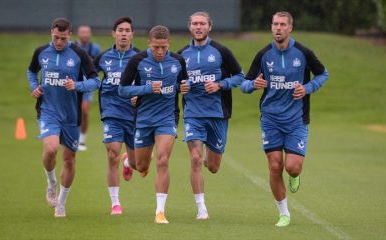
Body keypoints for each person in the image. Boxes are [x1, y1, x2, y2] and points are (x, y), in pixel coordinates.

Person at [241, 11, 329, 227]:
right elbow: (244, 84)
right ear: (271, 28)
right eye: (275, 24)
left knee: (292, 167)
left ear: (290, 28)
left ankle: (295, 174)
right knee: (274, 165)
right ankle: (284, 213)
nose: (278, 28)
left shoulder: (303, 52)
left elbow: (323, 74)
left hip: (296, 119)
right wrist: (253, 85)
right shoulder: (263, 55)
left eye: (282, 24)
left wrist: (307, 88)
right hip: (270, 119)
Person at [26, 18, 100, 217]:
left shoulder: (78, 54)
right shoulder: (41, 52)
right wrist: (34, 87)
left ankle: (61, 203)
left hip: (71, 116)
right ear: (51, 32)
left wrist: (77, 86)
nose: (58, 42)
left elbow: (95, 81)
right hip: (48, 110)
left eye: (62, 38)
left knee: (69, 159)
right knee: (50, 148)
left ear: (69, 34)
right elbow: (32, 72)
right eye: (55, 37)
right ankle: (51, 183)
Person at [118, 25, 189, 224]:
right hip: (143, 118)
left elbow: (183, 84)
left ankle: (160, 212)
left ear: (169, 45)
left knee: (163, 159)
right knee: (140, 166)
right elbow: (122, 90)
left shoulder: (177, 61)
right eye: (156, 47)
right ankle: (128, 161)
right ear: (149, 43)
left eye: (164, 47)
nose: (160, 51)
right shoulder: (137, 60)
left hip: (167, 117)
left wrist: (185, 87)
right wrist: (146, 89)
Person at [177, 12, 244, 220]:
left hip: (217, 114)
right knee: (195, 159)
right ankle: (201, 208)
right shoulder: (181, 55)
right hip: (193, 114)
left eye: (202, 24)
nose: (198, 27)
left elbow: (240, 77)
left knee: (213, 166)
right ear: (190, 27)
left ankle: (209, 153)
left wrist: (220, 85)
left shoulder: (221, 51)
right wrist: (181, 87)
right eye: (195, 23)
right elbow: (174, 83)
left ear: (209, 27)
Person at [93, 17, 139, 215]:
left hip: (135, 114)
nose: (123, 33)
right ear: (113, 33)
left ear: (132, 34)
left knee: (140, 164)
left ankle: (129, 162)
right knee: (112, 154)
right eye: (120, 30)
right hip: (111, 112)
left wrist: (140, 94)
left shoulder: (140, 57)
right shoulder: (103, 58)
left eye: (127, 30)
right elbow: (89, 75)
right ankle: (115, 203)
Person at [74, 25, 101, 151]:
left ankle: (82, 140)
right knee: (71, 111)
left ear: (90, 34)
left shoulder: (95, 49)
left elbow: (97, 67)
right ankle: (70, 137)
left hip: (87, 84)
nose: (84, 35)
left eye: (87, 32)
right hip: (72, 83)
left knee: (84, 111)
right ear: (78, 33)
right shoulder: (72, 47)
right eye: (82, 32)